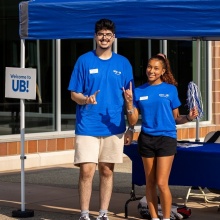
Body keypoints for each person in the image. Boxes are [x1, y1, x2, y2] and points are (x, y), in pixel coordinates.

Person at [68, 18, 134, 220]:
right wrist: (85, 99)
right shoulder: (84, 61)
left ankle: (103, 213)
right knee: (87, 171)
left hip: (114, 126)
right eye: (100, 34)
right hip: (87, 124)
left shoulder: (123, 63)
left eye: (108, 34)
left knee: (107, 170)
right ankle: (84, 214)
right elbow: (73, 94)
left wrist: (131, 127)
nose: (104, 38)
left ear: (114, 37)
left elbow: (129, 99)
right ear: (95, 36)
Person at [123, 53, 198, 220]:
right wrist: (129, 103)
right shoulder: (138, 91)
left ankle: (166, 218)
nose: (151, 71)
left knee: (162, 183)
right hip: (146, 139)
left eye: (156, 68)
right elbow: (133, 120)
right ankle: (154, 217)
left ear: (163, 71)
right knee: (150, 183)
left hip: (166, 139)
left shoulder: (170, 90)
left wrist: (189, 118)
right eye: (149, 67)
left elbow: (176, 118)